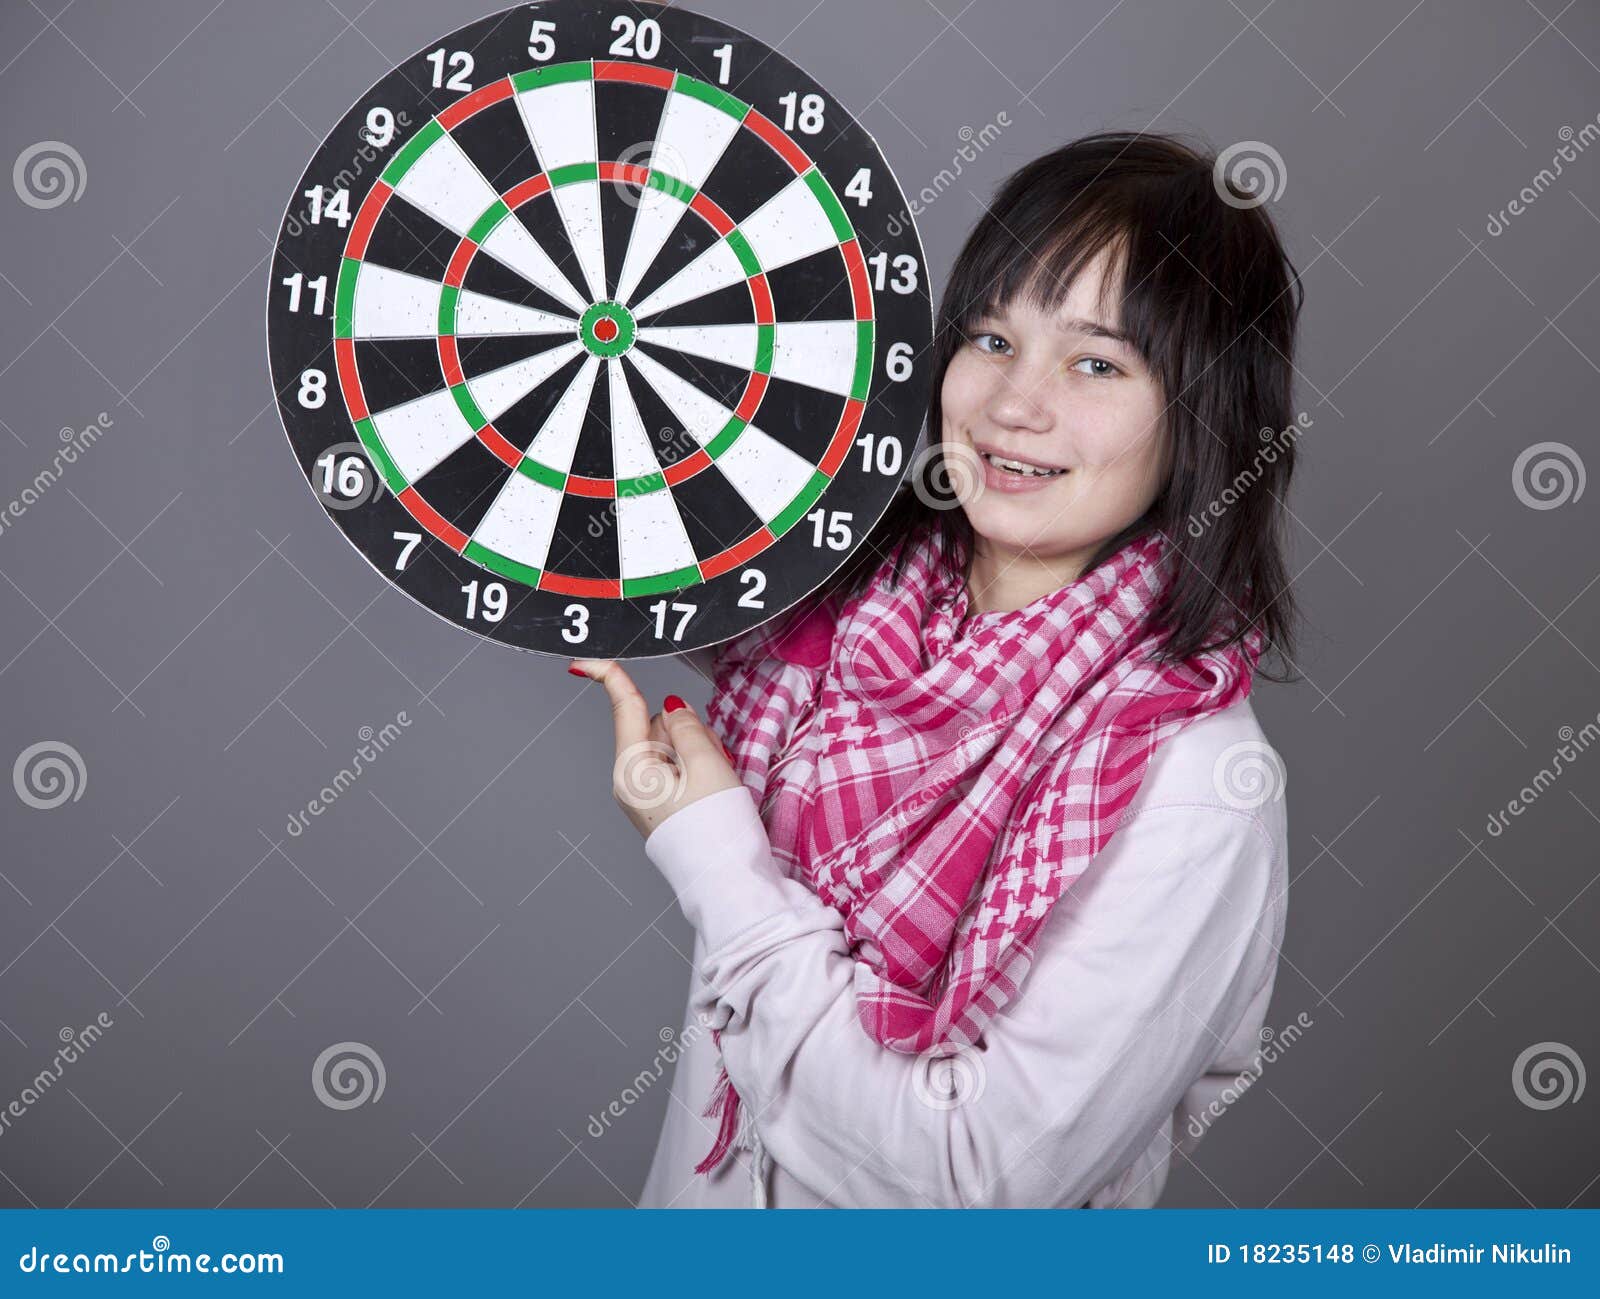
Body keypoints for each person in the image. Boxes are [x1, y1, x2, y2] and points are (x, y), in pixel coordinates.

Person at [568, 130, 1305, 1208]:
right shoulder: (830, 634)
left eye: (1097, 362)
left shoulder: (1198, 786)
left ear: (1201, 415)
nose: (1014, 404)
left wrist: (716, 857)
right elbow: (660, 439)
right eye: (991, 339)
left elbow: (967, 1189)